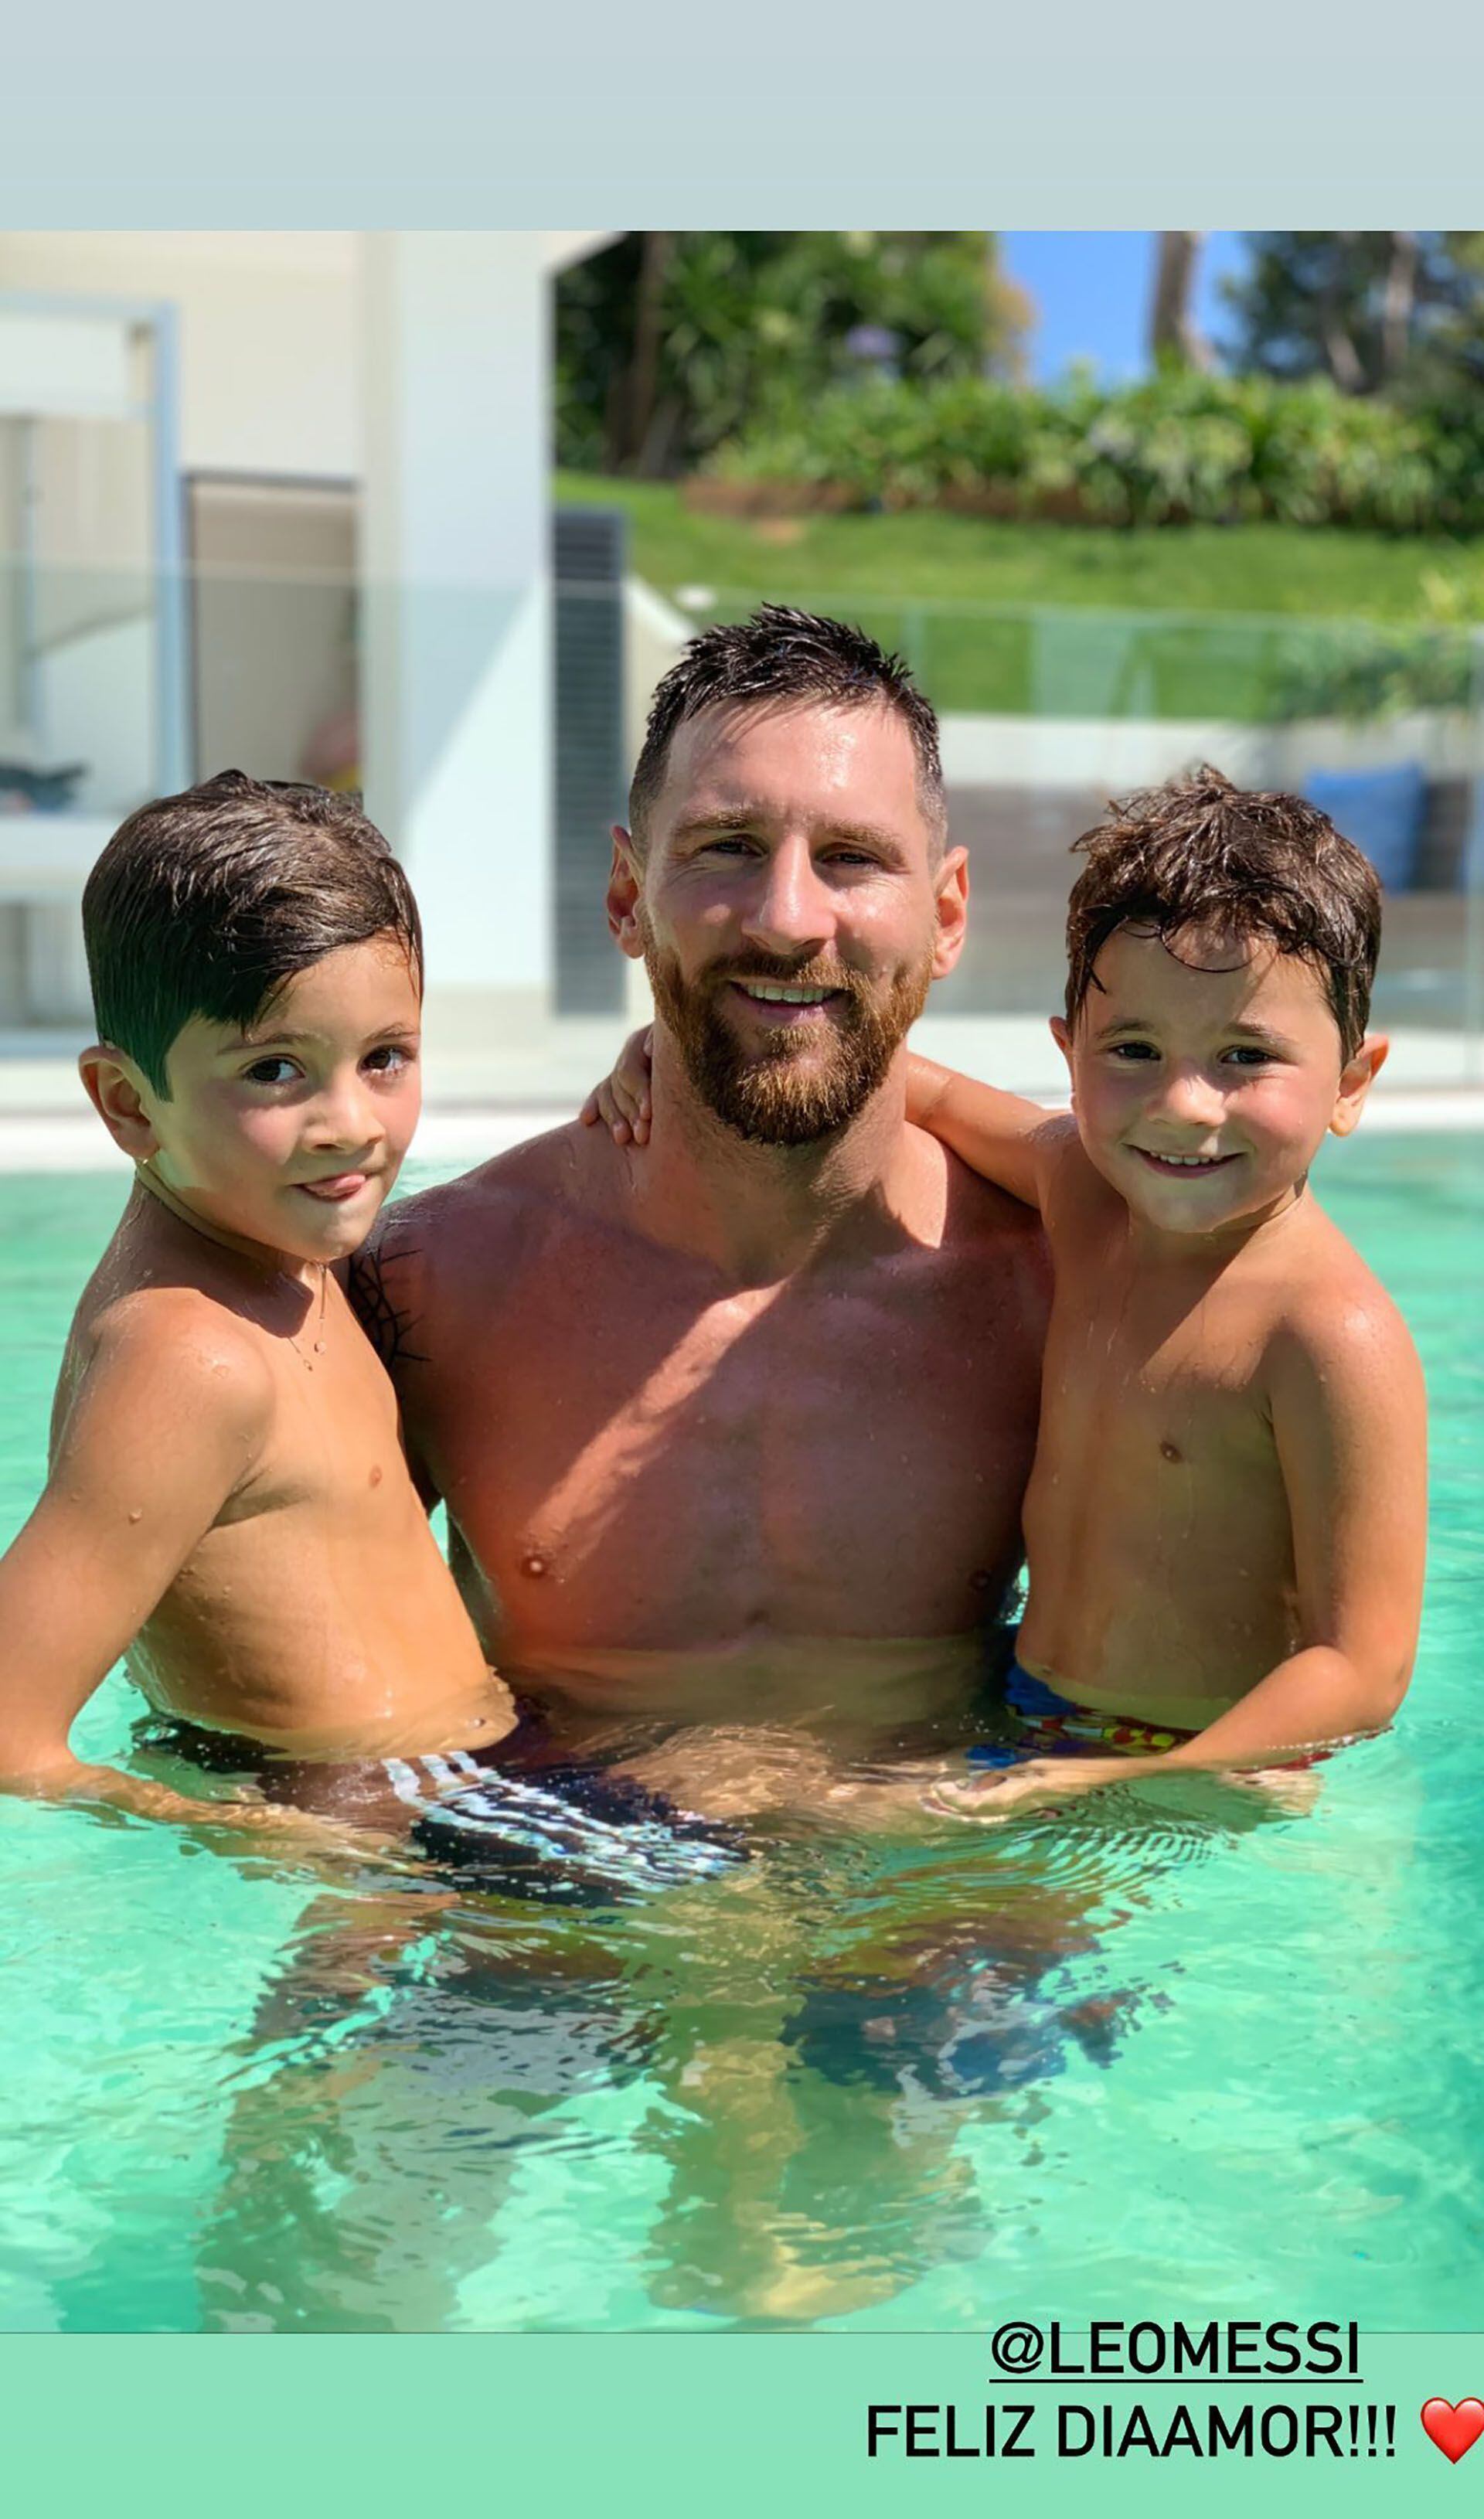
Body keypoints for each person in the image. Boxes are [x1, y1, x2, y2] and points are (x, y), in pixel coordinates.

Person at [594, 765, 1428, 1811]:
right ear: (1068, 1055)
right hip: (1029, 1713)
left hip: (1198, 1762)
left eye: (1244, 1057)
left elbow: (1364, 1670)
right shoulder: (1081, 1193)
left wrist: (1129, 1777)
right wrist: (675, 1053)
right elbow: (923, 1090)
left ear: (1351, 1083)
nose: (1182, 1103)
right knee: (729, 1792)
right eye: (1134, 1049)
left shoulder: (1326, 1332)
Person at [357, 607, 1050, 1777]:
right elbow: (282, 1718)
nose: (788, 919)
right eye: (727, 846)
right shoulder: (434, 1283)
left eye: (852, 857)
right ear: (627, 895)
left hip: (943, 1880)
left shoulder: (1051, 1292)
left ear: (944, 915)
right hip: (555, 1878)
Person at [0, 771, 536, 1850]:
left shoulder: (279, 1247)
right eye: (276, 1069)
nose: (351, 1123)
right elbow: (10, 1734)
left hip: (457, 1790)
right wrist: (247, 1831)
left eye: (385, 1058)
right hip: (394, 1828)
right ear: (126, 1103)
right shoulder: (190, 1356)